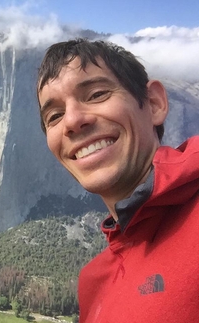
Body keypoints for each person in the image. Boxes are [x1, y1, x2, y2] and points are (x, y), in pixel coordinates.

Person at [36, 38, 199, 322]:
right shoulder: (92, 282)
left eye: (97, 94)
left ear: (154, 104)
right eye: (55, 115)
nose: (73, 121)